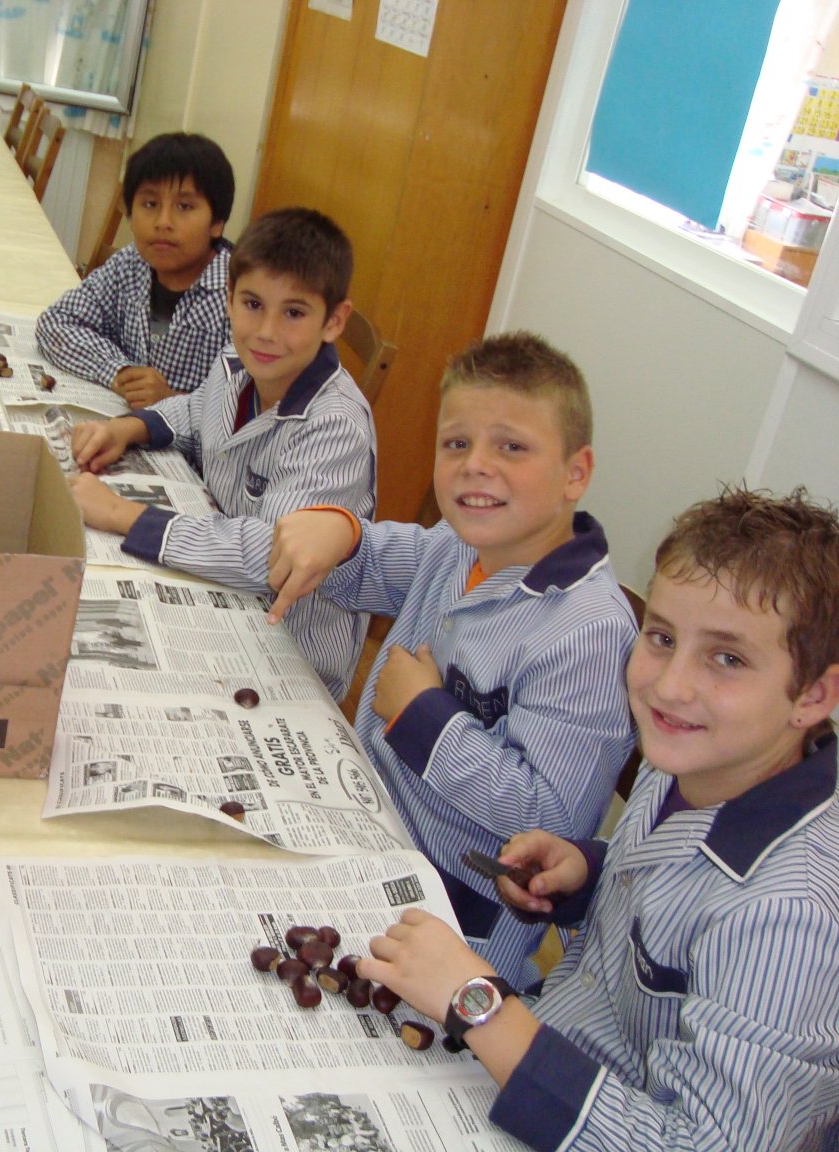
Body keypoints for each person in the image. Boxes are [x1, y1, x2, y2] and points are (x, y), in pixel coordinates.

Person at [359, 487, 839, 1152]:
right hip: (553, 1046)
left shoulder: (792, 914)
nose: (671, 686)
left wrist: (480, 1003)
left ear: (814, 694)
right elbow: (665, 890)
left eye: (727, 658)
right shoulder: (693, 760)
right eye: (663, 637)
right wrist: (586, 869)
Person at [266, 332, 635, 986]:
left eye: (512, 447)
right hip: (364, 828)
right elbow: (366, 559)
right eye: (457, 443)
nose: (475, 466)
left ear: (576, 472)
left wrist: (422, 714)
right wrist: (343, 532)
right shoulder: (461, 545)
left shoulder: (592, 632)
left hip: (449, 927)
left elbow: (550, 822)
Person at [69, 207, 375, 701]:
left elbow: (269, 557)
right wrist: (131, 427)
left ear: (334, 321)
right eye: (253, 303)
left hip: (290, 649)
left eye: (294, 313)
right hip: (219, 589)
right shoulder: (238, 360)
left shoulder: (335, 427)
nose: (267, 331)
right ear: (229, 301)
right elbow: (197, 411)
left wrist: (126, 516)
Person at [36, 132, 235, 408]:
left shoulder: (241, 296)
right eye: (150, 204)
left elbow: (252, 411)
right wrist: (121, 372)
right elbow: (56, 322)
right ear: (130, 214)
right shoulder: (131, 263)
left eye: (185, 206)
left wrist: (173, 401)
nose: (163, 222)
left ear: (217, 222)